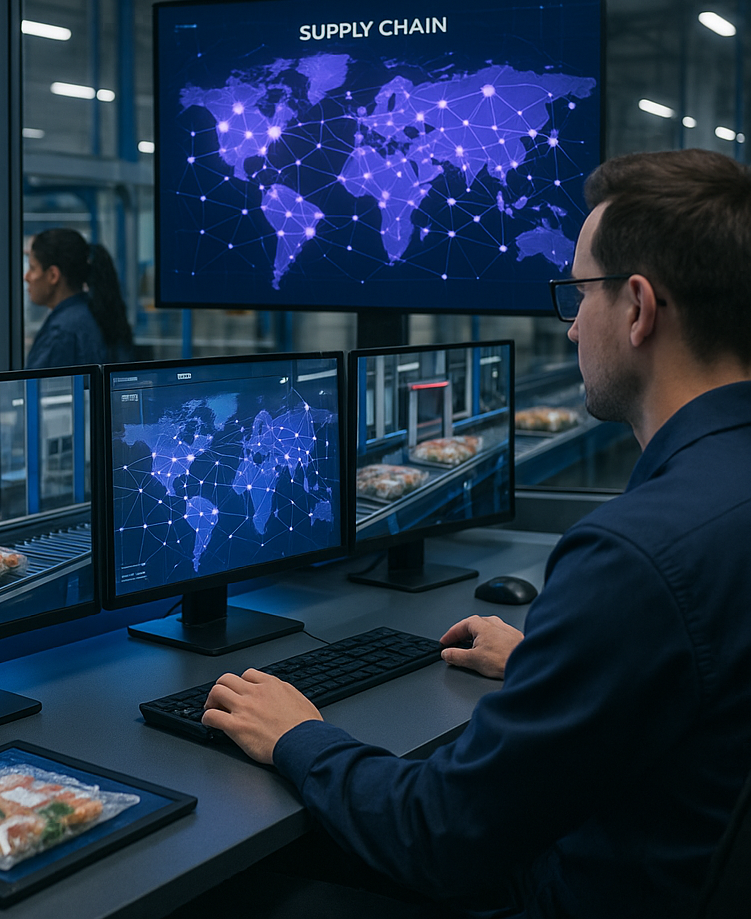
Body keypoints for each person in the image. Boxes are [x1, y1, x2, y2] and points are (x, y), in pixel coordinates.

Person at [198, 148, 751, 919]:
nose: (568, 330)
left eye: (576, 294)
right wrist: (552, 665)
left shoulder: (632, 556)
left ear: (636, 308)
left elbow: (439, 833)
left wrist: (298, 735)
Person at [24, 228, 134, 369]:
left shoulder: (61, 334)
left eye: (32, 268)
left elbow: (37, 388)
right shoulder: (94, 313)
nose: (26, 277)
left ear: (53, 275)